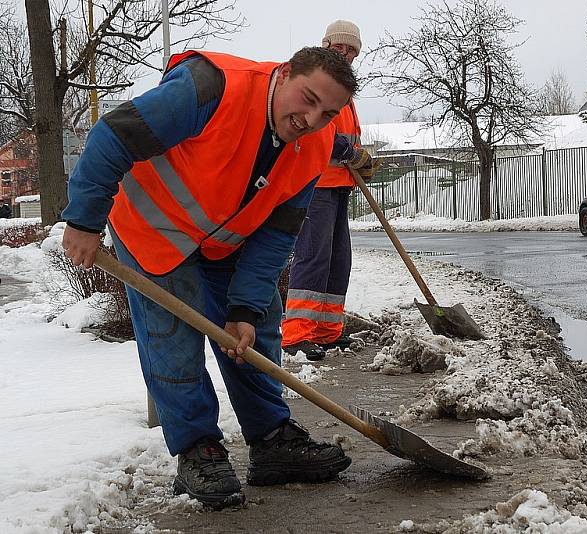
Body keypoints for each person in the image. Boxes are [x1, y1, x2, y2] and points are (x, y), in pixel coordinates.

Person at [61, 47, 363, 509]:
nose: (311, 118)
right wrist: (84, 221)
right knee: (174, 340)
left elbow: (276, 237)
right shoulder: (211, 87)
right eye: (307, 98)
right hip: (153, 225)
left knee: (255, 328)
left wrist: (242, 309)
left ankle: (271, 441)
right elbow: (115, 135)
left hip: (226, 239)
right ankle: (198, 450)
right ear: (283, 74)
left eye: (327, 113)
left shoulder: (316, 146)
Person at [281, 20, 376, 361]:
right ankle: (296, 335)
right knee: (314, 257)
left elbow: (347, 135)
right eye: (341, 47)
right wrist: (353, 154)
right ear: (327, 44)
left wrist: (360, 160)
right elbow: (319, 130)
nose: (346, 53)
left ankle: (326, 332)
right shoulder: (320, 79)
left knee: (338, 260)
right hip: (315, 183)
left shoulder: (346, 89)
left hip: (339, 186)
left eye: (352, 49)